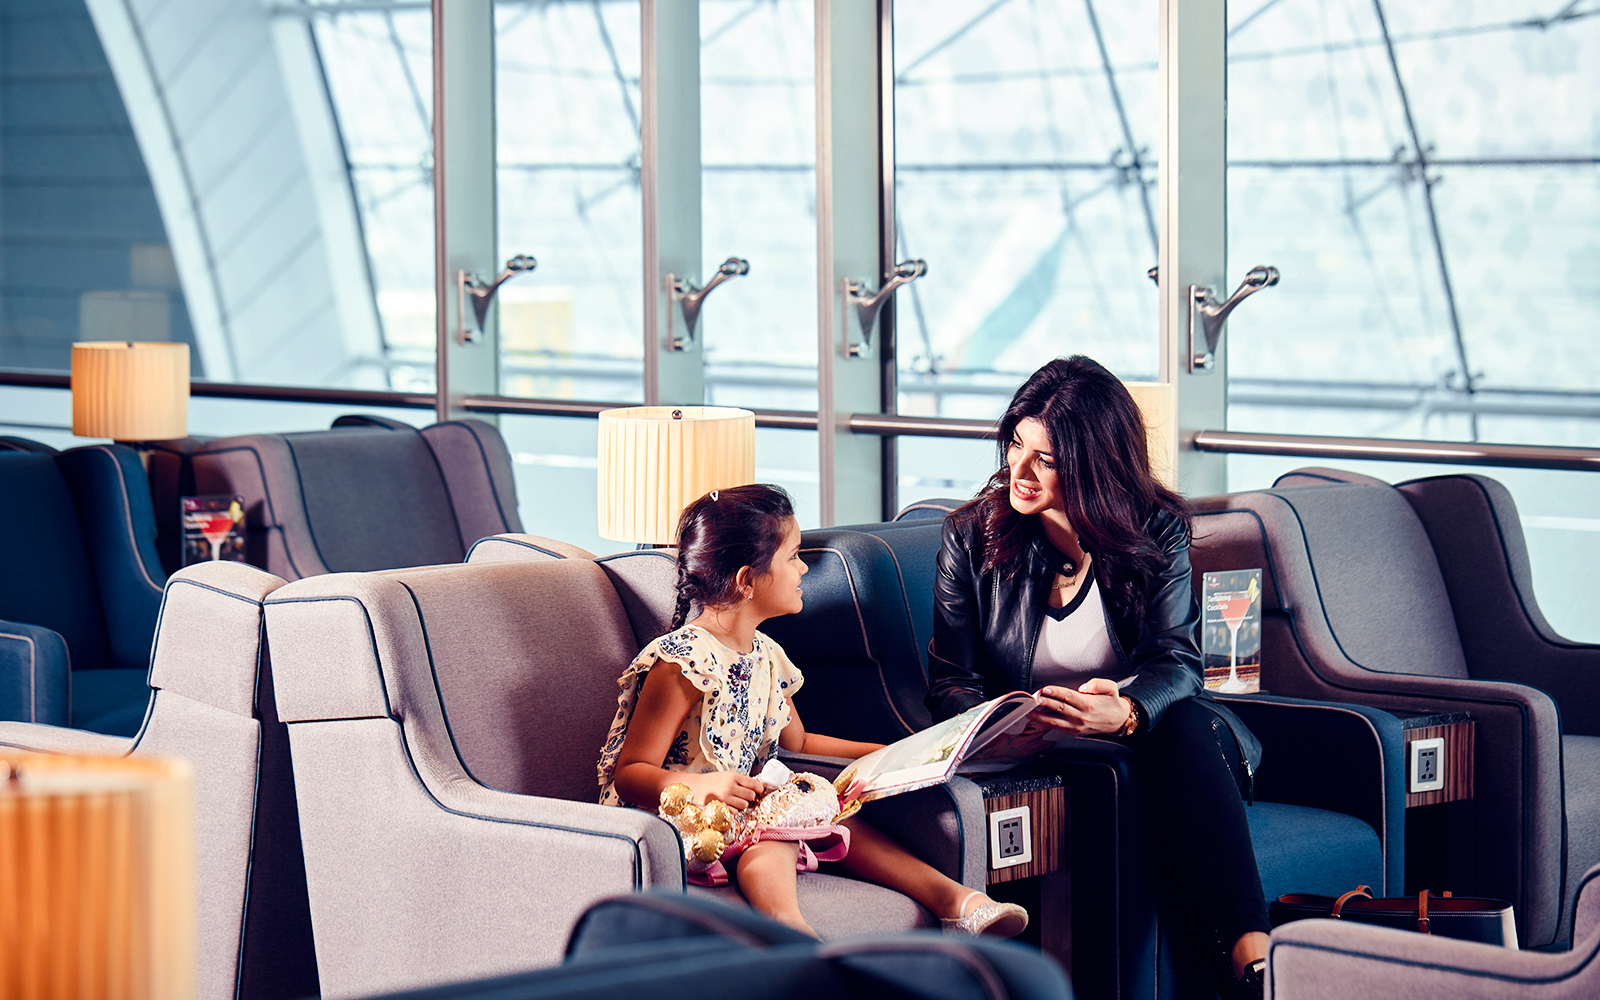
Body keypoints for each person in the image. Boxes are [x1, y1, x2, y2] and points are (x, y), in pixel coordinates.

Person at [926, 356, 1270, 999]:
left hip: (1159, 735)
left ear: (1091, 461)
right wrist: (1000, 732)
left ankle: (1251, 956)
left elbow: (1176, 661)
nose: (1018, 472)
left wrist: (1129, 711)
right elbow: (949, 681)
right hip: (1043, 747)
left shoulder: (1154, 528)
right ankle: (1252, 964)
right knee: (1169, 759)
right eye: (1016, 446)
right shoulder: (969, 537)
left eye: (1045, 459)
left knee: (1181, 724)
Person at [597, 483, 1028, 940]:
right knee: (779, 821)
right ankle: (790, 930)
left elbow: (799, 743)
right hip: (674, 823)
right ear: (747, 580)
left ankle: (957, 900)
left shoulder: (765, 654)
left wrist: (905, 753)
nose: (804, 568)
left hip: (743, 815)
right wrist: (703, 785)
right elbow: (630, 773)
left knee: (822, 806)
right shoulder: (682, 663)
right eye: (793, 556)